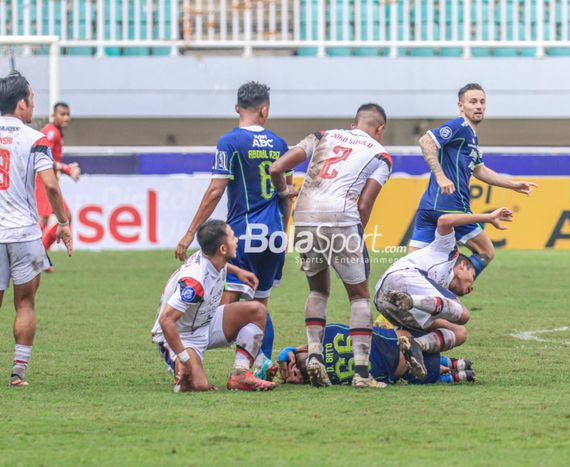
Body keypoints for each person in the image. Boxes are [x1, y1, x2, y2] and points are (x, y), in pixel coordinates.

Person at [269, 103, 392, 389]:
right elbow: (365, 204)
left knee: (317, 289)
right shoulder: (381, 154)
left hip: (304, 215)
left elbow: (277, 167)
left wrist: (283, 192)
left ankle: (314, 356)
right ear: (380, 129)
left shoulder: (323, 135)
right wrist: (355, 237)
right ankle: (362, 373)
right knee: (359, 295)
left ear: (354, 123)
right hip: (341, 216)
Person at [175, 81, 290, 361]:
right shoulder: (280, 144)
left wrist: (190, 234)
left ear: (237, 108)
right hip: (275, 234)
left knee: (226, 310)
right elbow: (287, 195)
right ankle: (261, 363)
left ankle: (195, 358)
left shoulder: (230, 142)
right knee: (260, 305)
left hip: (243, 235)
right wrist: (284, 233)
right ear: (264, 110)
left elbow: (216, 189)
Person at [410, 83, 537, 278]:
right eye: (473, 102)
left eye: (482, 102)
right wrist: (441, 175)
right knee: (486, 252)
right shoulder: (459, 126)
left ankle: (400, 304)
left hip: (427, 208)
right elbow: (425, 142)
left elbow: (479, 170)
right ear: (461, 106)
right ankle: (452, 289)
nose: (479, 106)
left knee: (413, 271)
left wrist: (513, 185)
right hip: (452, 208)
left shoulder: (470, 137)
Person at [0, 71, 73, 386]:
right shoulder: (34, 139)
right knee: (25, 303)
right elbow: (51, 186)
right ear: (21, 104)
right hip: (25, 234)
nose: (33, 106)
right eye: (32, 100)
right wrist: (64, 222)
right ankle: (18, 372)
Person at [154, 219, 276, 392]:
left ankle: (240, 374)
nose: (237, 241)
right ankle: (182, 369)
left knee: (257, 310)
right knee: (199, 386)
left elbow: (220, 264)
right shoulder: (195, 282)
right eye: (233, 237)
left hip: (205, 321)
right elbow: (166, 321)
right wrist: (183, 358)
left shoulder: (212, 256)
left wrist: (238, 271)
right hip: (179, 335)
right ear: (223, 249)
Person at [376, 208, 512, 355]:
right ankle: (410, 300)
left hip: (383, 300)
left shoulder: (438, 291)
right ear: (462, 266)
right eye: (473, 276)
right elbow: (444, 221)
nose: (472, 287)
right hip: (401, 279)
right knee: (463, 314)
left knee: (459, 333)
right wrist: (487, 217)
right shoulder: (448, 250)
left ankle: (414, 347)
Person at [276, 323, 476, 385]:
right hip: (397, 370)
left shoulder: (321, 337)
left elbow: (306, 346)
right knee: (431, 374)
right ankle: (451, 369)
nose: (295, 372)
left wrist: (289, 351)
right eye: (297, 375)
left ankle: (447, 363)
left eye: (294, 368)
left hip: (398, 340)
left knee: (429, 355)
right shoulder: (321, 380)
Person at [36, 102, 80, 256]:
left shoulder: (56, 132)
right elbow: (43, 158)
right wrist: (67, 169)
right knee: (64, 216)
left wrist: (65, 168)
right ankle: (38, 255)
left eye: (68, 114)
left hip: (47, 179)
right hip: (43, 180)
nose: (66, 117)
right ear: (54, 115)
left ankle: (39, 256)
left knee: (44, 219)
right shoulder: (51, 133)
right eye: (62, 114)